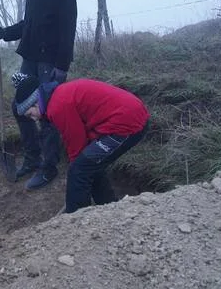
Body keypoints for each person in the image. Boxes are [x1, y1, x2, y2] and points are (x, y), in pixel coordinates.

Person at [0, 0, 77, 190]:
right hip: (30, 59)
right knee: (20, 107)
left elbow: (68, 26)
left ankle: (49, 168)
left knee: (48, 114)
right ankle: (33, 159)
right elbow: (29, 24)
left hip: (51, 61)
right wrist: (5, 33)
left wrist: (62, 65)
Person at [13, 73, 150, 213]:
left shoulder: (57, 106)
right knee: (89, 164)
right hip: (126, 114)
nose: (34, 119)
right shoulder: (58, 96)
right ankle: (108, 207)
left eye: (30, 114)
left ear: (36, 102)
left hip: (127, 122)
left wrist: (75, 172)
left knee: (80, 169)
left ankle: (76, 219)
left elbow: (76, 144)